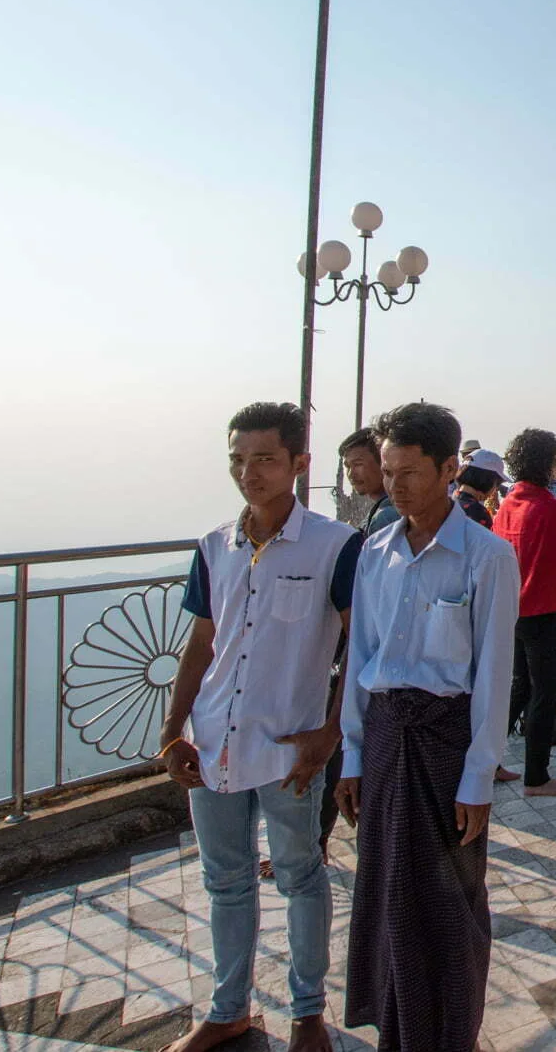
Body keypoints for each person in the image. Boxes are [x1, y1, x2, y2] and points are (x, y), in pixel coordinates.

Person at [157, 403, 362, 1052]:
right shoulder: (215, 546)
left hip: (290, 747)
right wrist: (172, 729)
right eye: (238, 459)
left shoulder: (335, 545)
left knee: (302, 875)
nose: (250, 471)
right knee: (226, 880)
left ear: (300, 463)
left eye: (265, 457)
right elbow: (200, 642)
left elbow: (361, 644)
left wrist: (333, 732)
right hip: (214, 741)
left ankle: (307, 1009)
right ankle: (228, 1008)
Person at [336, 402, 520, 1052]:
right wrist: (353, 755)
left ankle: (450, 1033)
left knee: (451, 900)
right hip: (386, 738)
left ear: (449, 469)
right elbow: (361, 655)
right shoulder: (375, 552)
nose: (395, 486)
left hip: (447, 746)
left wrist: (479, 776)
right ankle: (399, 1026)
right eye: (386, 472)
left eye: (410, 472)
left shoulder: (487, 557)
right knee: (386, 888)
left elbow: (495, 672)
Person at [491, 429, 556, 798]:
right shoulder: (548, 507)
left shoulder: (508, 504)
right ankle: (536, 777)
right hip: (545, 615)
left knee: (519, 688)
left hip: (514, 613)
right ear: (546, 462)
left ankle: (486, 761)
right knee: (545, 692)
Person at [341, 427, 400, 535]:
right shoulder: (381, 512)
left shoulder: (385, 517)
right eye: (348, 466)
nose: (351, 474)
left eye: (358, 464)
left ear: (384, 463)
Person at [455, 448, 504, 529]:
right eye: (497, 484)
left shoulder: (448, 502)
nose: (495, 489)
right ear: (488, 480)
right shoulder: (478, 513)